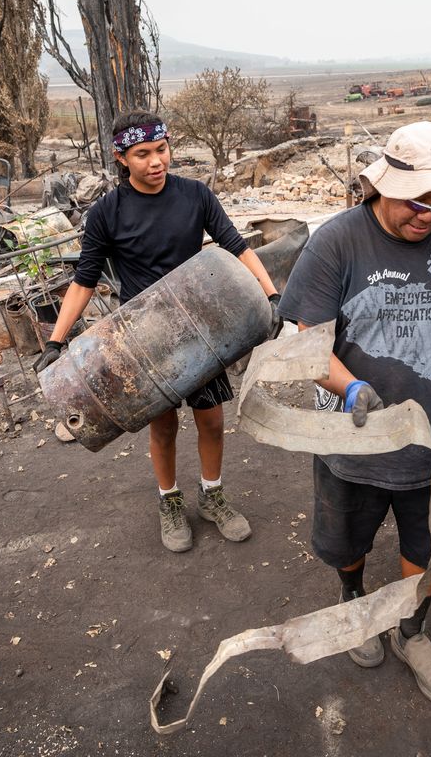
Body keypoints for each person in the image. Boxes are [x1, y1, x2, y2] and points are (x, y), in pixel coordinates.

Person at [278, 121, 431, 706]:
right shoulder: (337, 241)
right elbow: (306, 340)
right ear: (383, 183)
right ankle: (357, 603)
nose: (429, 216)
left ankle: (411, 630)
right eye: (419, 202)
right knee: (346, 543)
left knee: (429, 548)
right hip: (351, 443)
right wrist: (349, 384)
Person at [34, 110, 281, 554]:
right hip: (140, 341)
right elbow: (84, 280)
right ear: (121, 158)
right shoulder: (107, 212)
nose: (155, 162)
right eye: (142, 154)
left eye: (161, 150)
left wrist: (272, 295)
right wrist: (56, 341)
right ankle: (170, 502)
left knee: (211, 419)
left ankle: (213, 496)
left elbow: (237, 246)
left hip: (202, 330)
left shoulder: (196, 196)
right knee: (163, 426)